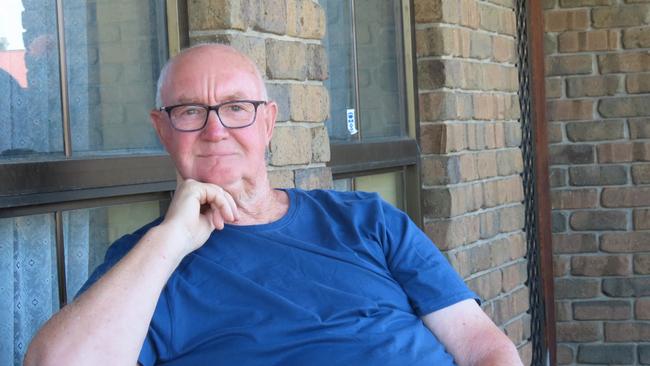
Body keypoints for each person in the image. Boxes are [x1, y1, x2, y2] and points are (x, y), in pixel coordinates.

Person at [25, 43, 523, 366]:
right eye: (190, 111)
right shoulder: (145, 266)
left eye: (236, 108)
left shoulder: (367, 220)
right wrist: (171, 240)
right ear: (162, 129)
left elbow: (484, 348)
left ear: (268, 122)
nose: (215, 129)